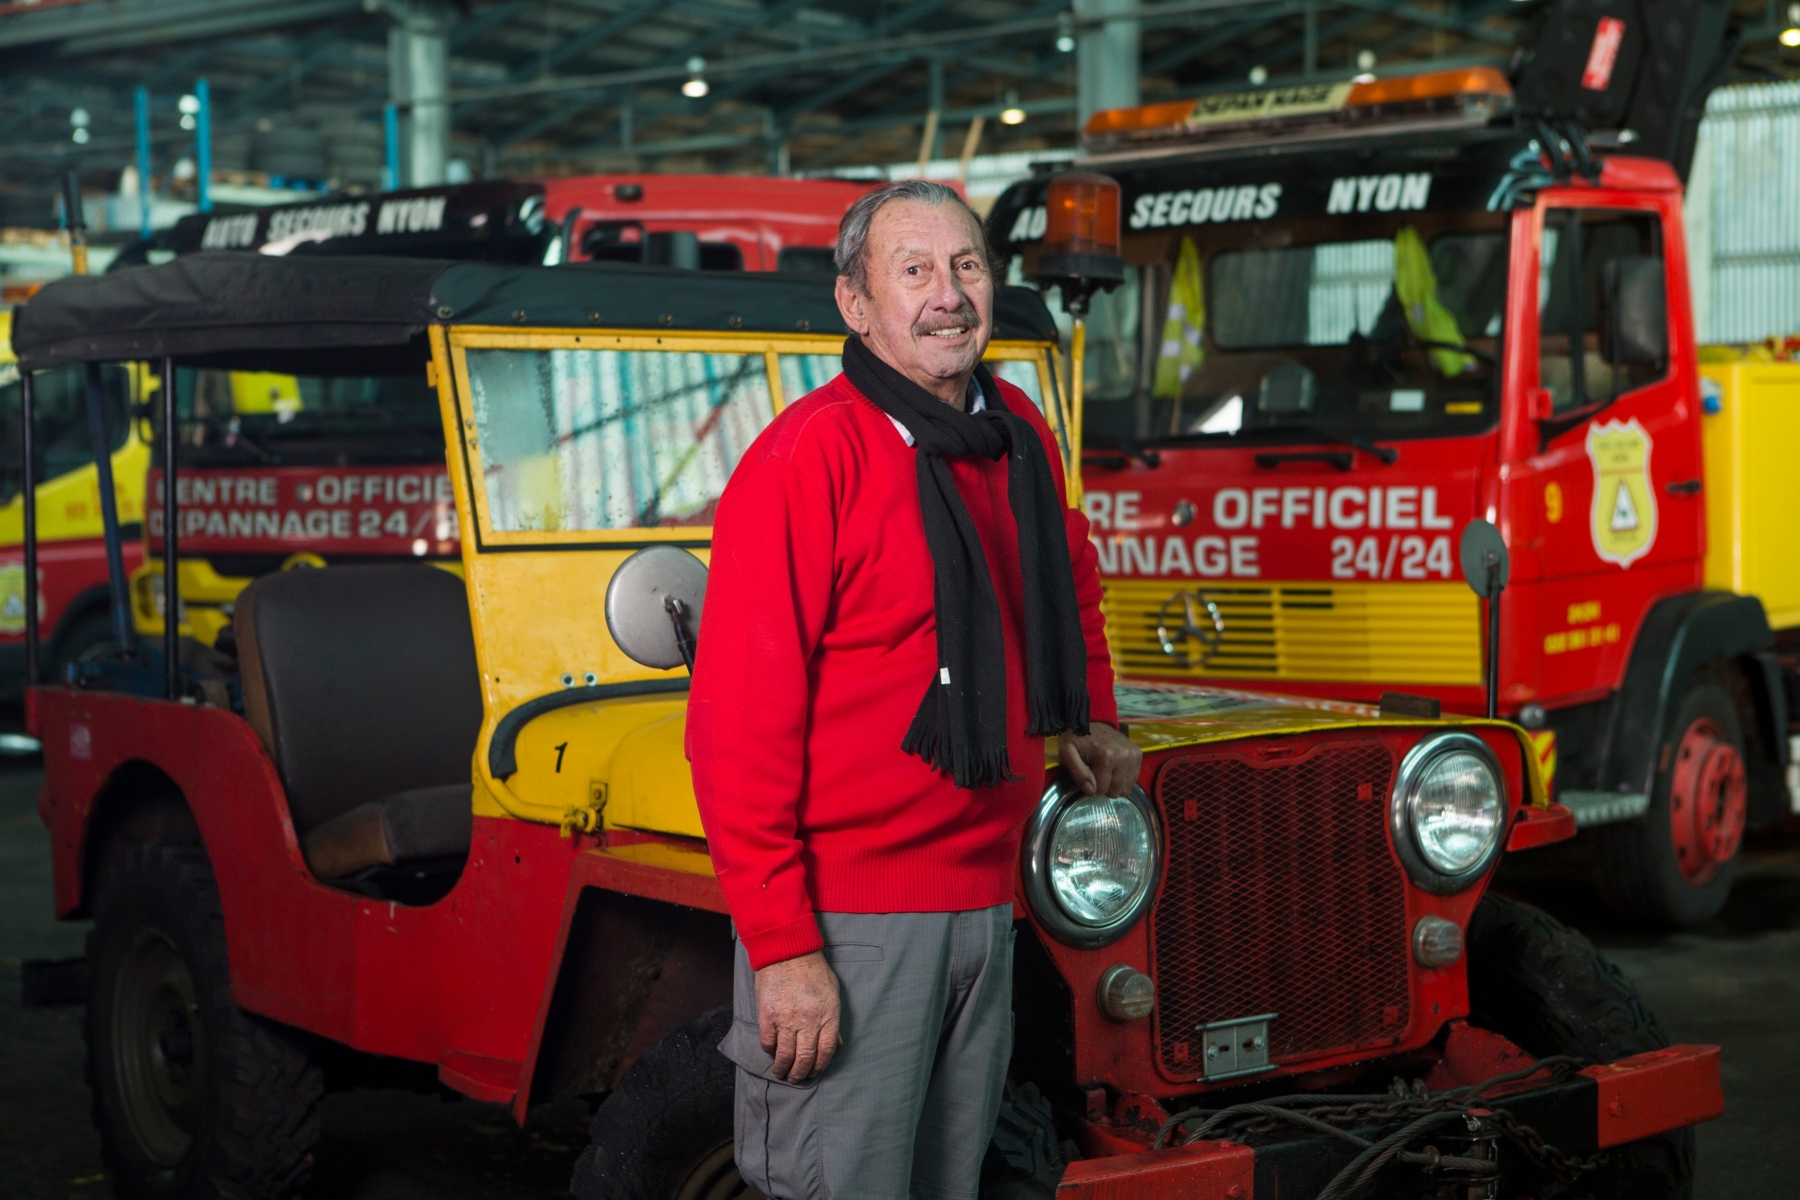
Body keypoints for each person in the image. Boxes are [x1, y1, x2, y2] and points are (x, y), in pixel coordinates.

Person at [687, 179, 1139, 1200]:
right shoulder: (807, 459)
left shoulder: (1016, 428)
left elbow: (1068, 578)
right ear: (856, 304)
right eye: (916, 270)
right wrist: (784, 950)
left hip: (987, 900)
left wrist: (1093, 710)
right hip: (852, 924)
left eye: (967, 265)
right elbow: (734, 734)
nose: (949, 294)